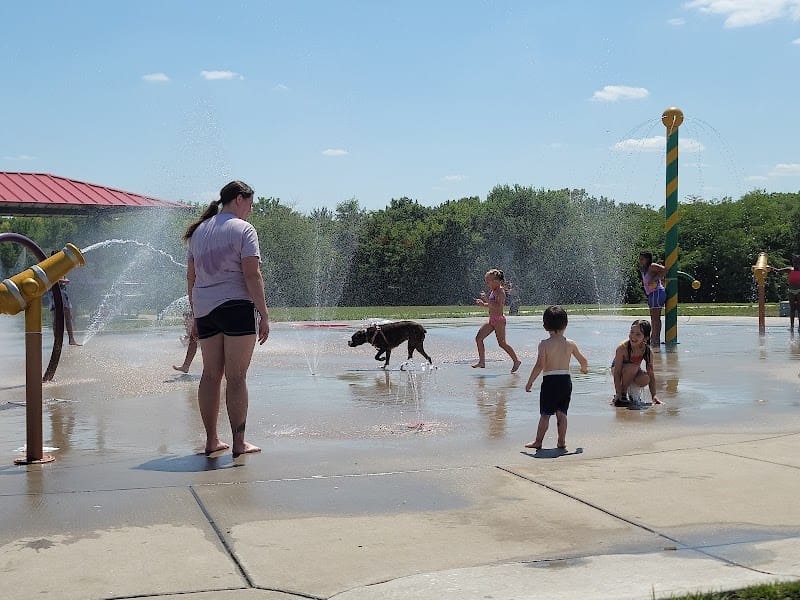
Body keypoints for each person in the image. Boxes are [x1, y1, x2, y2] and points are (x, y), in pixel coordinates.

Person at [183, 180, 270, 457]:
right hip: (236, 306)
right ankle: (239, 443)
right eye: (251, 205)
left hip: (206, 309)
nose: (251, 211)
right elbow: (252, 274)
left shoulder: (198, 232)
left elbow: (191, 277)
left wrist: (196, 313)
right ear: (239, 199)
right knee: (236, 377)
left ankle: (211, 441)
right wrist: (264, 315)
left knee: (210, 375)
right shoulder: (243, 229)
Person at [524, 305, 588, 450]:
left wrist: (530, 382)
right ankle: (561, 442)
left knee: (545, 414)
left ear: (545, 326)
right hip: (565, 381)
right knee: (562, 413)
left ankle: (538, 441)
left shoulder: (544, 344)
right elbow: (583, 361)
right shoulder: (570, 344)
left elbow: (540, 365)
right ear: (566, 324)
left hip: (550, 381)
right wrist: (583, 370)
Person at [472, 268, 522, 373]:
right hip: (492, 320)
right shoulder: (493, 291)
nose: (487, 284)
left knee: (502, 343)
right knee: (478, 338)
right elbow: (491, 305)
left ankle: (516, 361)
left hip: (499, 320)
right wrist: (483, 304)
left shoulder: (500, 292)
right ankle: (482, 362)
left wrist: (486, 299)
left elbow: (498, 307)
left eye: (488, 282)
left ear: (496, 281)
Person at [611, 319, 662, 407]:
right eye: (631, 332)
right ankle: (623, 393)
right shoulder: (622, 348)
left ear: (645, 338)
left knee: (646, 378)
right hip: (617, 369)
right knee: (633, 368)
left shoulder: (647, 351)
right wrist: (618, 393)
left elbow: (651, 374)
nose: (633, 337)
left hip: (633, 371)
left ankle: (633, 394)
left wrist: (654, 396)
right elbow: (617, 372)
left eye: (638, 334)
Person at [48, 250, 81, 346]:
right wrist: (63, 280)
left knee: (68, 316)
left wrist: (64, 280)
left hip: (63, 292)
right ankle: (58, 341)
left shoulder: (60, 266)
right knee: (57, 317)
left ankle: (71, 340)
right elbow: (52, 278)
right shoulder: (51, 266)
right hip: (56, 292)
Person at [639, 251, 666, 349]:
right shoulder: (644, 269)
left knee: (656, 318)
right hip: (651, 294)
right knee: (653, 318)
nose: (640, 261)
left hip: (657, 293)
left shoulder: (652, 266)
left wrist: (654, 278)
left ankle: (656, 339)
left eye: (642, 259)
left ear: (648, 259)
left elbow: (665, 270)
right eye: (640, 259)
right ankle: (653, 338)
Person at [778, 254, 800, 333]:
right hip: (791, 291)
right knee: (792, 309)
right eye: (794, 262)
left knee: (799, 308)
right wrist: (769, 268)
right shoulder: (790, 269)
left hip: (799, 291)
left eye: (797, 262)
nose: (796, 264)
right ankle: (792, 325)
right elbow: (779, 270)